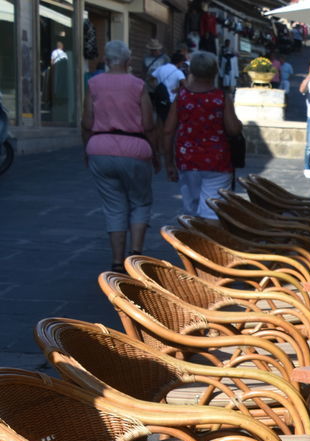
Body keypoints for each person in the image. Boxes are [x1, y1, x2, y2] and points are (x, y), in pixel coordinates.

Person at [82, 39, 159, 272]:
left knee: (114, 206)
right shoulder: (138, 85)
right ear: (127, 61)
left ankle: (117, 261)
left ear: (106, 60)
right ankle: (135, 256)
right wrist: (156, 154)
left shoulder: (93, 84)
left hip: (100, 147)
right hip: (135, 148)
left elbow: (86, 122)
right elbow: (148, 123)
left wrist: (86, 149)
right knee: (140, 201)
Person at [164, 50, 240, 219]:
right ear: (215, 72)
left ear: (192, 72)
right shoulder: (221, 97)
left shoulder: (181, 97)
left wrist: (168, 162)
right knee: (213, 210)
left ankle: (192, 242)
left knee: (190, 208)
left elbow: (168, 130)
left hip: (187, 160)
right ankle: (208, 243)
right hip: (217, 161)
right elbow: (233, 129)